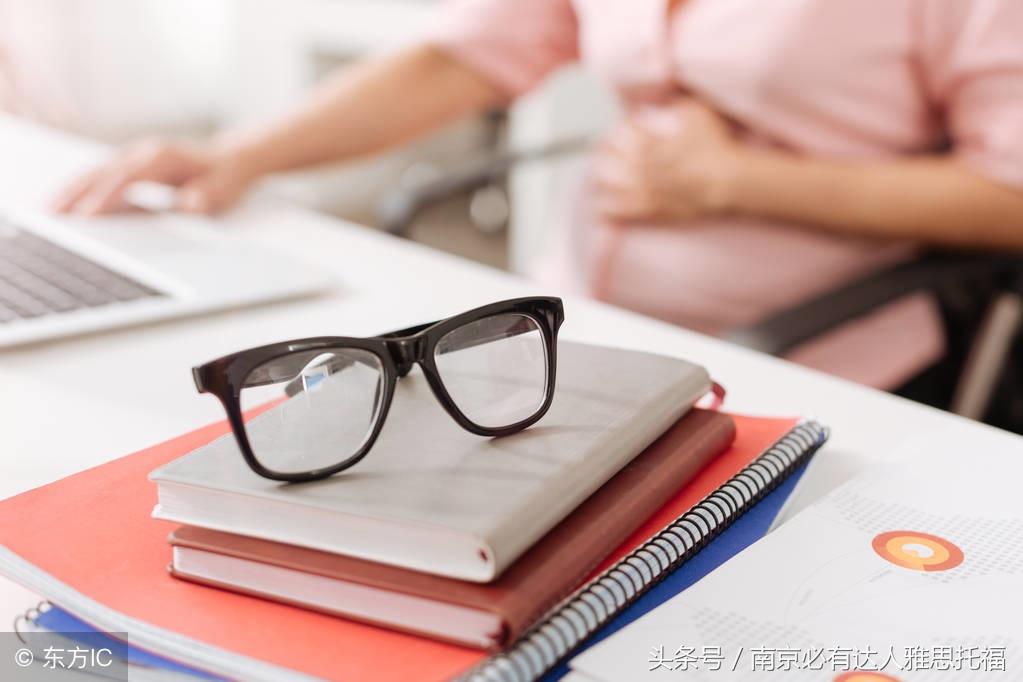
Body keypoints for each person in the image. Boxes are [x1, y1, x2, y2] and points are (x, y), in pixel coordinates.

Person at [56, 0, 1023, 390]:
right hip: (567, 326)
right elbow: (465, 57)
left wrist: (737, 182)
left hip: (807, 356)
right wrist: (238, 156)